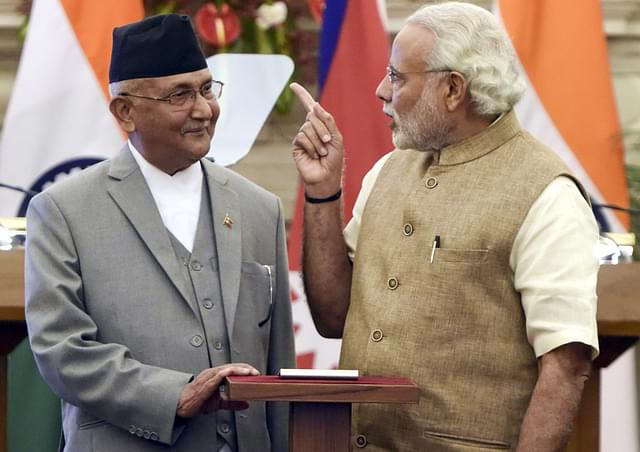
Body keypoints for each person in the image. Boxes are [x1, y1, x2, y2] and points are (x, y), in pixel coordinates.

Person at [291, 2, 599, 451]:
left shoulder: (547, 193)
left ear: (453, 89)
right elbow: (333, 317)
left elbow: (565, 367)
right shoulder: (387, 171)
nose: (381, 90)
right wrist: (322, 192)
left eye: (397, 76)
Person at [25, 14, 294, 452]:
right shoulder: (64, 211)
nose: (204, 109)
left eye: (207, 88)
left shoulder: (259, 207)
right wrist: (174, 395)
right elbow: (62, 350)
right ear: (125, 111)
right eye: (179, 95)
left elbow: (278, 361)